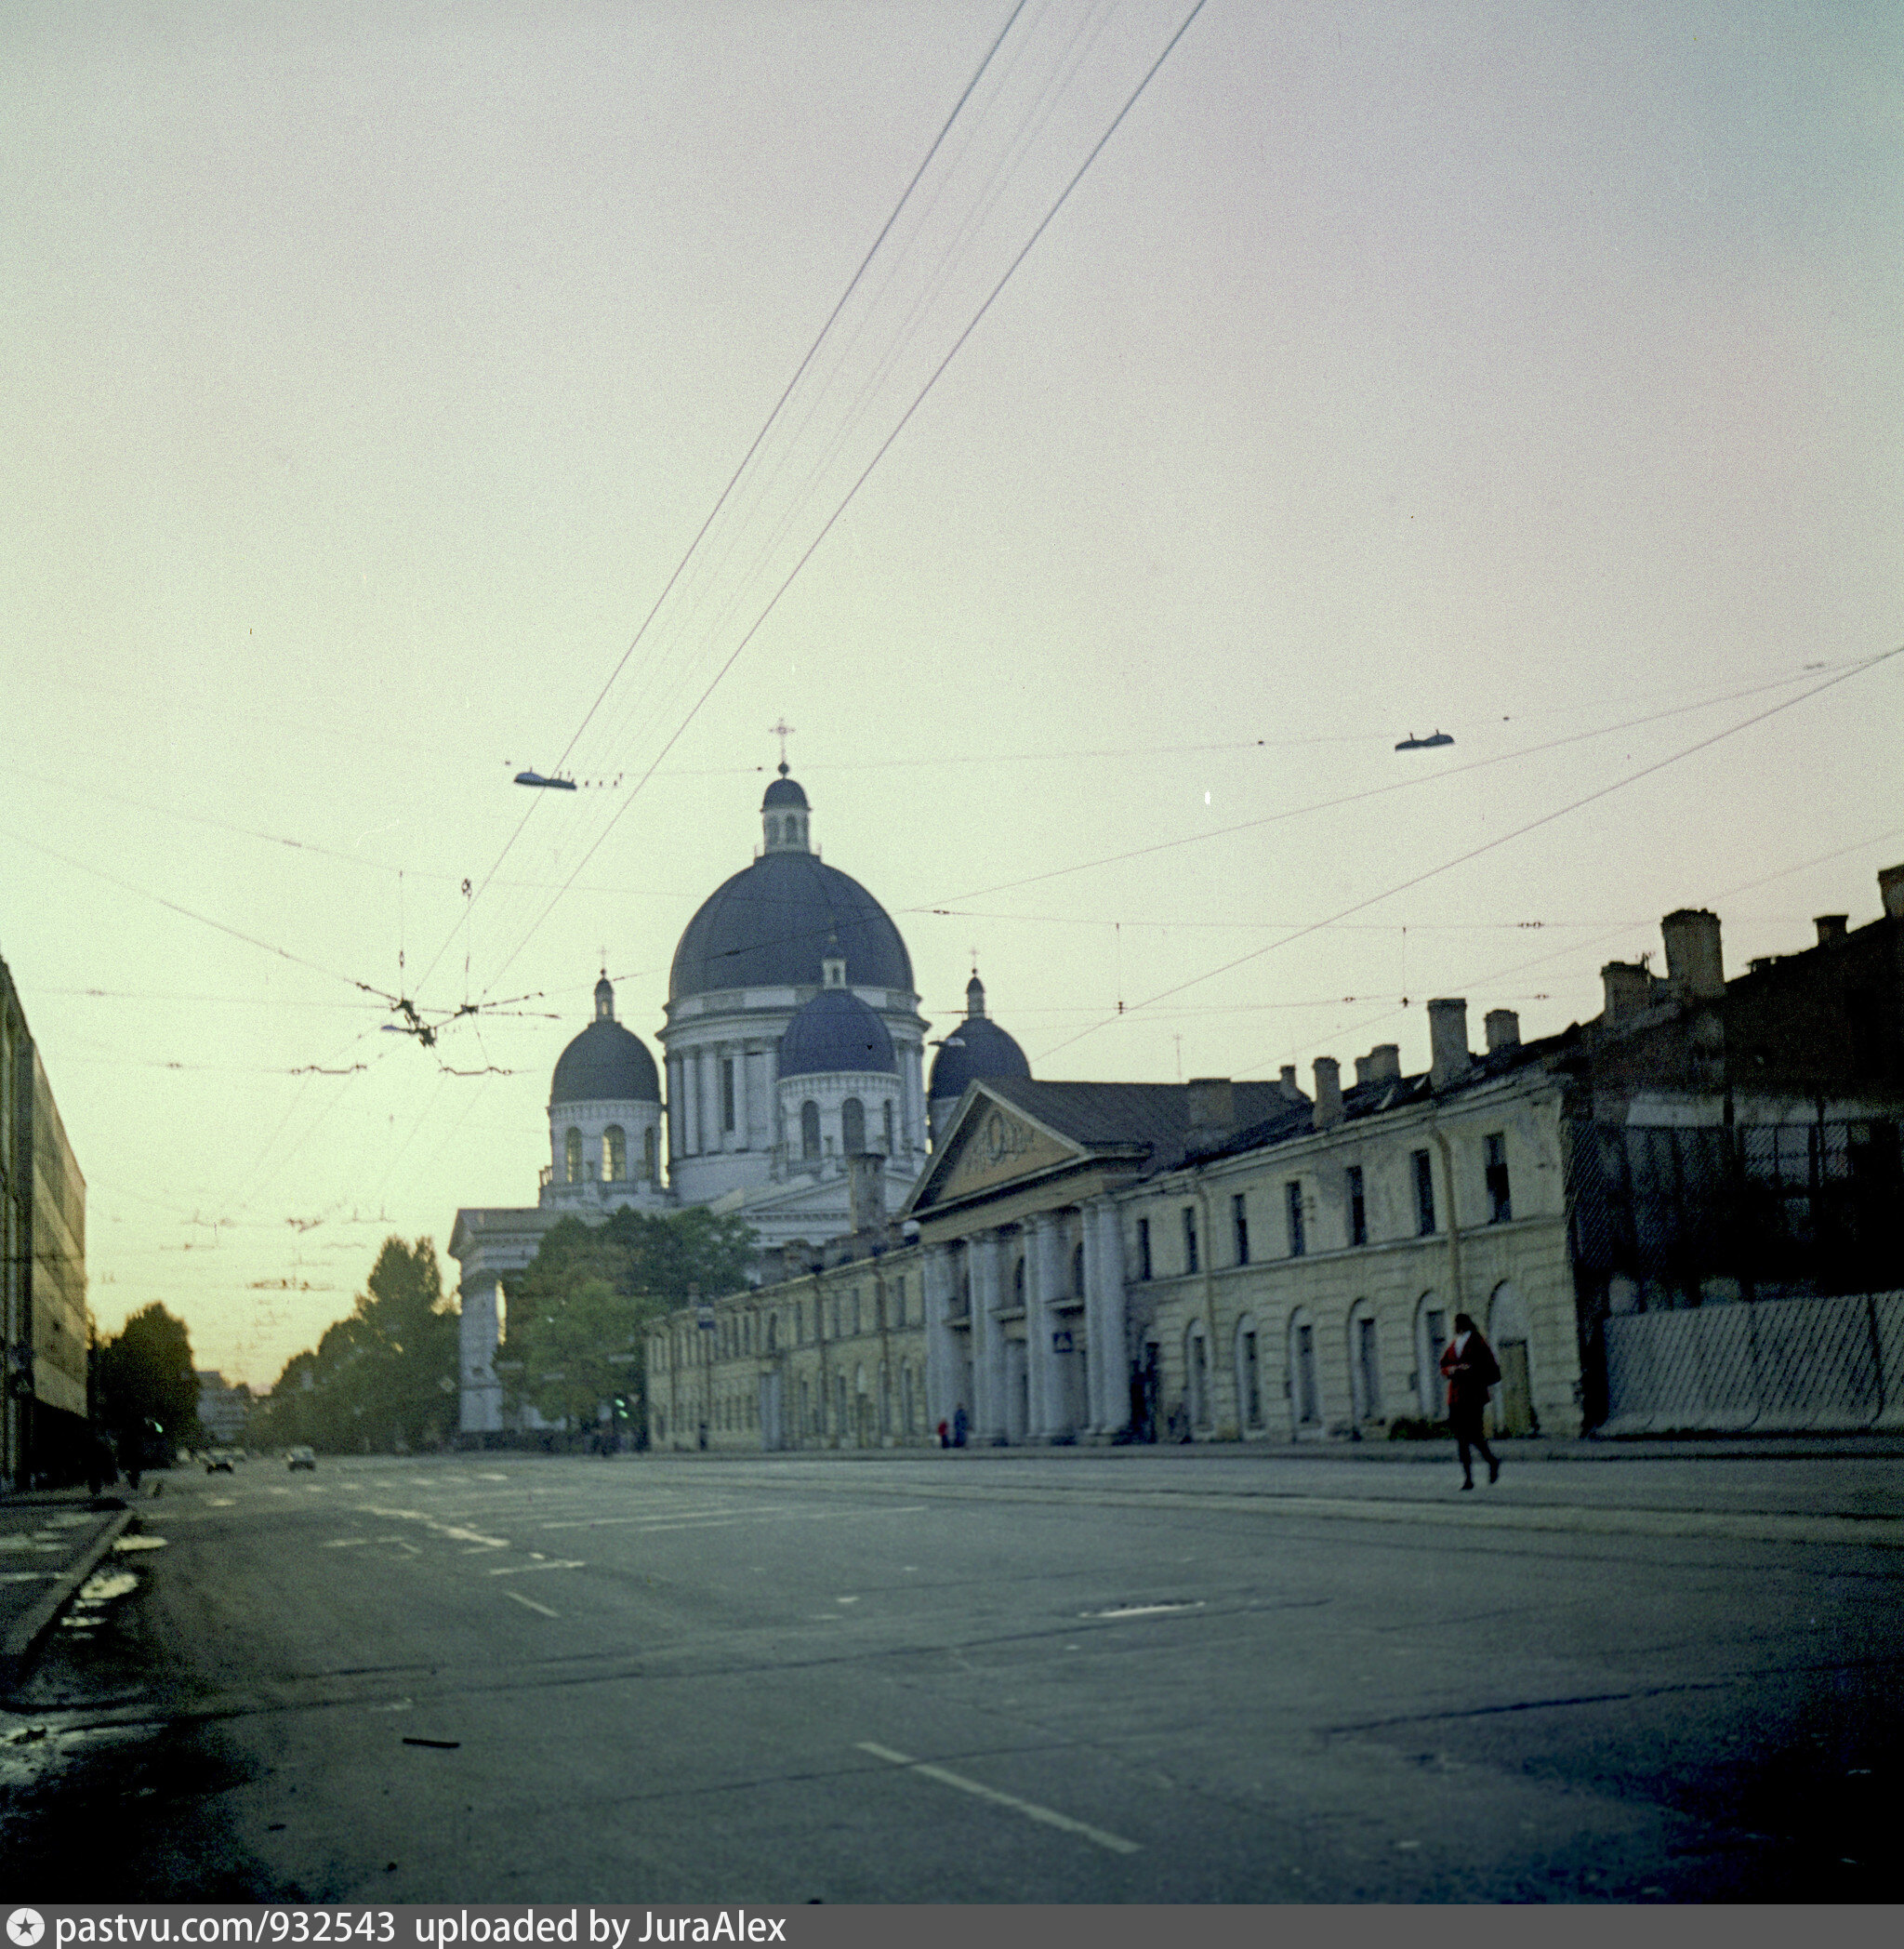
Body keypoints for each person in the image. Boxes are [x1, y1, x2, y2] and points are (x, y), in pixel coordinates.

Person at [1439, 1312, 1502, 1490]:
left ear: (1463, 1324)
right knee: (1461, 1439)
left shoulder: (1476, 1341)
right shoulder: (1455, 1344)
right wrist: (1451, 1370)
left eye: (1456, 1323)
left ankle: (1491, 1461)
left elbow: (1489, 1366)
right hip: (1456, 1397)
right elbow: (1443, 1364)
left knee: (1474, 1435)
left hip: (1473, 1396)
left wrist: (1470, 1370)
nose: (1454, 1327)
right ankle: (1468, 1478)